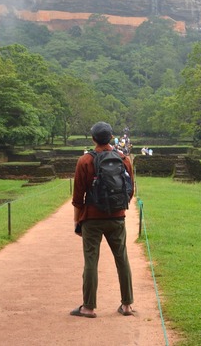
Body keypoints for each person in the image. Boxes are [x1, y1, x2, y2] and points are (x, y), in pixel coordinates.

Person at [70, 121, 136, 318]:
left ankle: (88, 307)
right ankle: (126, 305)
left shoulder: (85, 161)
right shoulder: (124, 159)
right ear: (111, 138)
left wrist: (77, 220)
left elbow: (77, 198)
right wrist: (118, 207)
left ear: (93, 139)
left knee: (91, 261)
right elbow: (129, 190)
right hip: (117, 217)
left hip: (91, 217)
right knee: (122, 259)